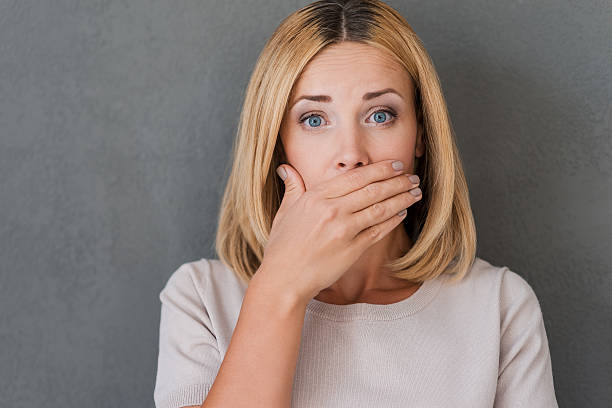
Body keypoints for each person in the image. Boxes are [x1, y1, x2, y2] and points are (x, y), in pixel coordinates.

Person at [153, 1, 559, 407]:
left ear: (420, 136)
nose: (351, 154)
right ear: (277, 145)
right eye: (314, 119)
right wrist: (280, 288)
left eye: (380, 115)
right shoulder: (202, 298)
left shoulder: (499, 306)